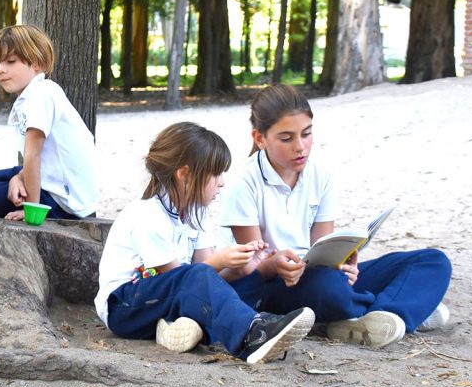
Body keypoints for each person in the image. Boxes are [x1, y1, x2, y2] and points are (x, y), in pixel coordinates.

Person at [219, 84, 452, 348]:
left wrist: (345, 264)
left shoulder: (320, 175)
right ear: (260, 138)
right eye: (286, 138)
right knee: (330, 288)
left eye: (306, 134)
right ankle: (400, 309)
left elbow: (323, 247)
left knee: (433, 261)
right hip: (275, 285)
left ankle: (373, 315)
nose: (300, 147)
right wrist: (277, 265)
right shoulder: (244, 183)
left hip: (318, 276)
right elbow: (253, 266)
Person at [94, 122, 315, 364]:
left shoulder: (194, 216)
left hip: (162, 303)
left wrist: (242, 266)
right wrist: (219, 261)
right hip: (125, 308)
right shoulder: (147, 215)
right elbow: (182, 280)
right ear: (185, 174)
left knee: (250, 281)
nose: (221, 183)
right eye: (215, 174)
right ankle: (253, 334)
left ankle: (184, 329)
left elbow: (208, 278)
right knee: (198, 277)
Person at [0, 25, 97, 221]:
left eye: (10, 62)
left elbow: (33, 156)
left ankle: (39, 207)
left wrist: (32, 211)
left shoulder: (42, 94)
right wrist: (17, 178)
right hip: (48, 179)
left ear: (37, 63)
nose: (0, 70)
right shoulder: (31, 96)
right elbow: (41, 158)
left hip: (64, 202)